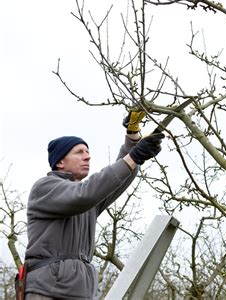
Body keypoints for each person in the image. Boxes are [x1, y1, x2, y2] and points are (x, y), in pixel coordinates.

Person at [23, 111, 164, 300]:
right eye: (79, 152)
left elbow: (117, 180)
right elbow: (84, 195)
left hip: (83, 291)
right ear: (60, 162)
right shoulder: (45, 188)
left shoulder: (88, 197)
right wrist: (132, 157)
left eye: (88, 152)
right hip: (47, 290)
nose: (87, 157)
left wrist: (133, 137)